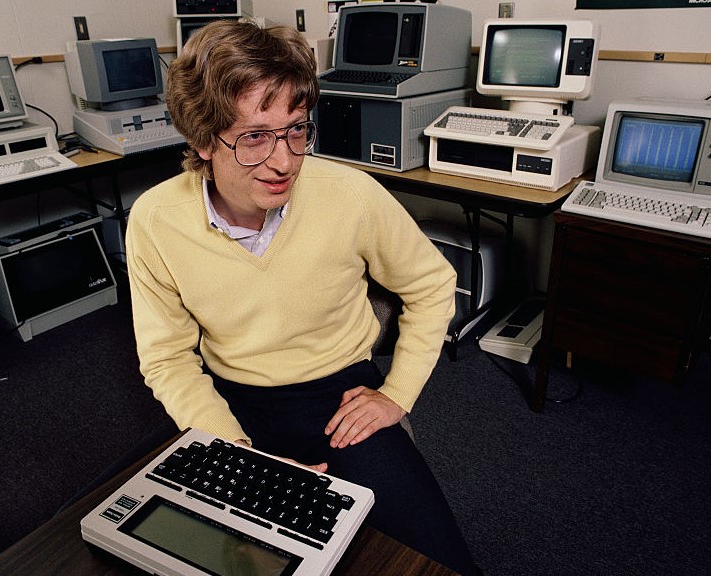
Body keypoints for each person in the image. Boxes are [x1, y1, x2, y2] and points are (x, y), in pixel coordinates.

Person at [125, 19, 477, 575]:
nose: (285, 160)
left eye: (295, 130)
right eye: (254, 137)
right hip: (231, 403)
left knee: (437, 564)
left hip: (340, 396)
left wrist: (397, 393)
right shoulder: (155, 219)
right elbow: (167, 359)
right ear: (201, 140)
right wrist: (234, 451)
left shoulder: (351, 194)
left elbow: (432, 285)